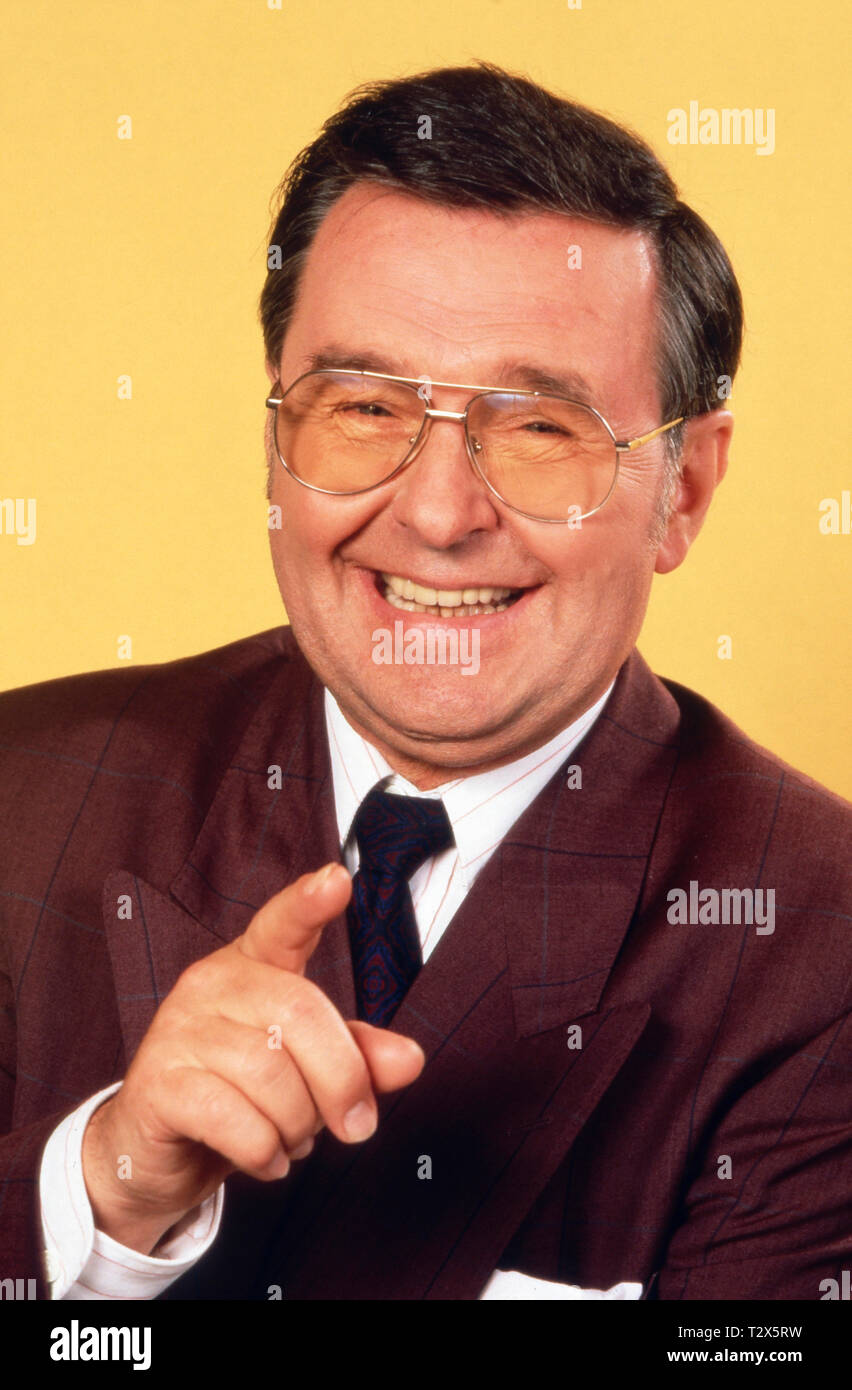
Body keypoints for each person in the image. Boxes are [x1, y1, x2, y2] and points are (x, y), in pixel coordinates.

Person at [1, 62, 849, 1303]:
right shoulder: (21, 800)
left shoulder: (819, 950)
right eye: (363, 407)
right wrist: (100, 1189)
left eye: (541, 427)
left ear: (684, 491)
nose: (440, 514)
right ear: (276, 437)